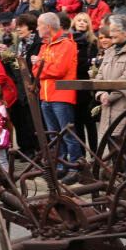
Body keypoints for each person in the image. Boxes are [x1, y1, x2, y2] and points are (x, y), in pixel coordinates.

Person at [31, 12, 80, 178]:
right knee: (54, 135)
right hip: (46, 96)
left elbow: (59, 70)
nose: (37, 28)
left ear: (48, 26)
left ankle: (74, 167)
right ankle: (60, 165)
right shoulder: (45, 45)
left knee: (67, 134)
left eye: (39, 24)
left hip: (61, 96)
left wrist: (41, 67)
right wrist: (43, 68)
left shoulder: (66, 44)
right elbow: (34, 71)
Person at [95, 14, 126, 140]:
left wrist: (109, 97)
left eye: (114, 30)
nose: (111, 34)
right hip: (107, 113)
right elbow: (99, 77)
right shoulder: (110, 51)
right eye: (110, 30)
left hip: (125, 111)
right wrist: (101, 94)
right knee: (113, 155)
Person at [70, 13, 99, 150]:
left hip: (87, 86)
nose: (81, 23)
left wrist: (81, 63)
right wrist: (83, 62)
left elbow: (91, 64)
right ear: (74, 23)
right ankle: (82, 156)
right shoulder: (69, 41)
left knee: (90, 123)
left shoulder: (92, 42)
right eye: (79, 20)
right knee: (77, 124)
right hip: (73, 86)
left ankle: (94, 154)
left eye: (84, 21)